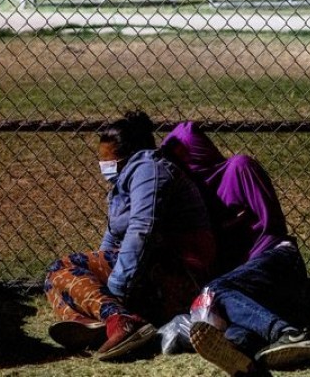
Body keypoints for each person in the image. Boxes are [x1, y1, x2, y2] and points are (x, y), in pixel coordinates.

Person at [44, 110, 215, 361]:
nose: (102, 165)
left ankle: (119, 321)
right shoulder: (123, 184)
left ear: (127, 154)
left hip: (177, 272)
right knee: (56, 284)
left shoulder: (149, 168)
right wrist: (98, 278)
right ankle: (102, 325)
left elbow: (142, 229)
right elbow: (112, 240)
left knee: (62, 268)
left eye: (106, 159)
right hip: (148, 271)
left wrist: (115, 289)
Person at [159, 122, 310, 376]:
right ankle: (242, 356)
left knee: (215, 292)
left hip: (277, 259)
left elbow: (272, 226)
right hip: (245, 286)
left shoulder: (239, 168)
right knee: (232, 326)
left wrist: (233, 233)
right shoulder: (194, 198)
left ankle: (289, 334)